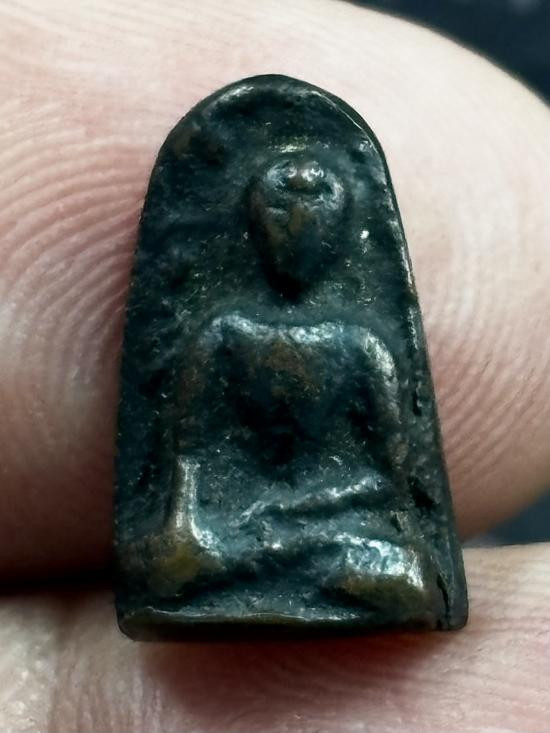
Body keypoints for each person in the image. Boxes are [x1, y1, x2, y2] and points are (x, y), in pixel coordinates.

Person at [0, 1, 549, 730]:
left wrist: (293, 514)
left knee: (402, 570)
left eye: (314, 227)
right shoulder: (221, 334)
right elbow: (186, 467)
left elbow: (394, 485)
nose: (296, 242)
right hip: (227, 537)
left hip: (326, 531)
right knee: (171, 559)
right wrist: (210, 531)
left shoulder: (363, 347)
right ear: (254, 232)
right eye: (279, 223)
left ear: (338, 236)